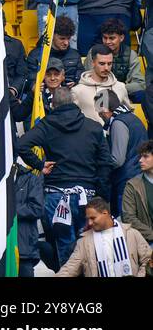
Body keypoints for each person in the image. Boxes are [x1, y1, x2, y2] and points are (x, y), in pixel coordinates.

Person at [15, 86, 111, 267]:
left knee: (65, 247)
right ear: (74, 103)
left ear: (52, 104)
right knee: (91, 244)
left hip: (55, 197)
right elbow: (106, 164)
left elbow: (21, 144)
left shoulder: (46, 124)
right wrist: (103, 195)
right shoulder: (93, 127)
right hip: (88, 196)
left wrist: (39, 164)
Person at [57, 196, 152, 276]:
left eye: (93, 218)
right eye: (88, 219)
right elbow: (70, 268)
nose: (89, 223)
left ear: (105, 213)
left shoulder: (131, 233)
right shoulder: (84, 242)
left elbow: (148, 260)